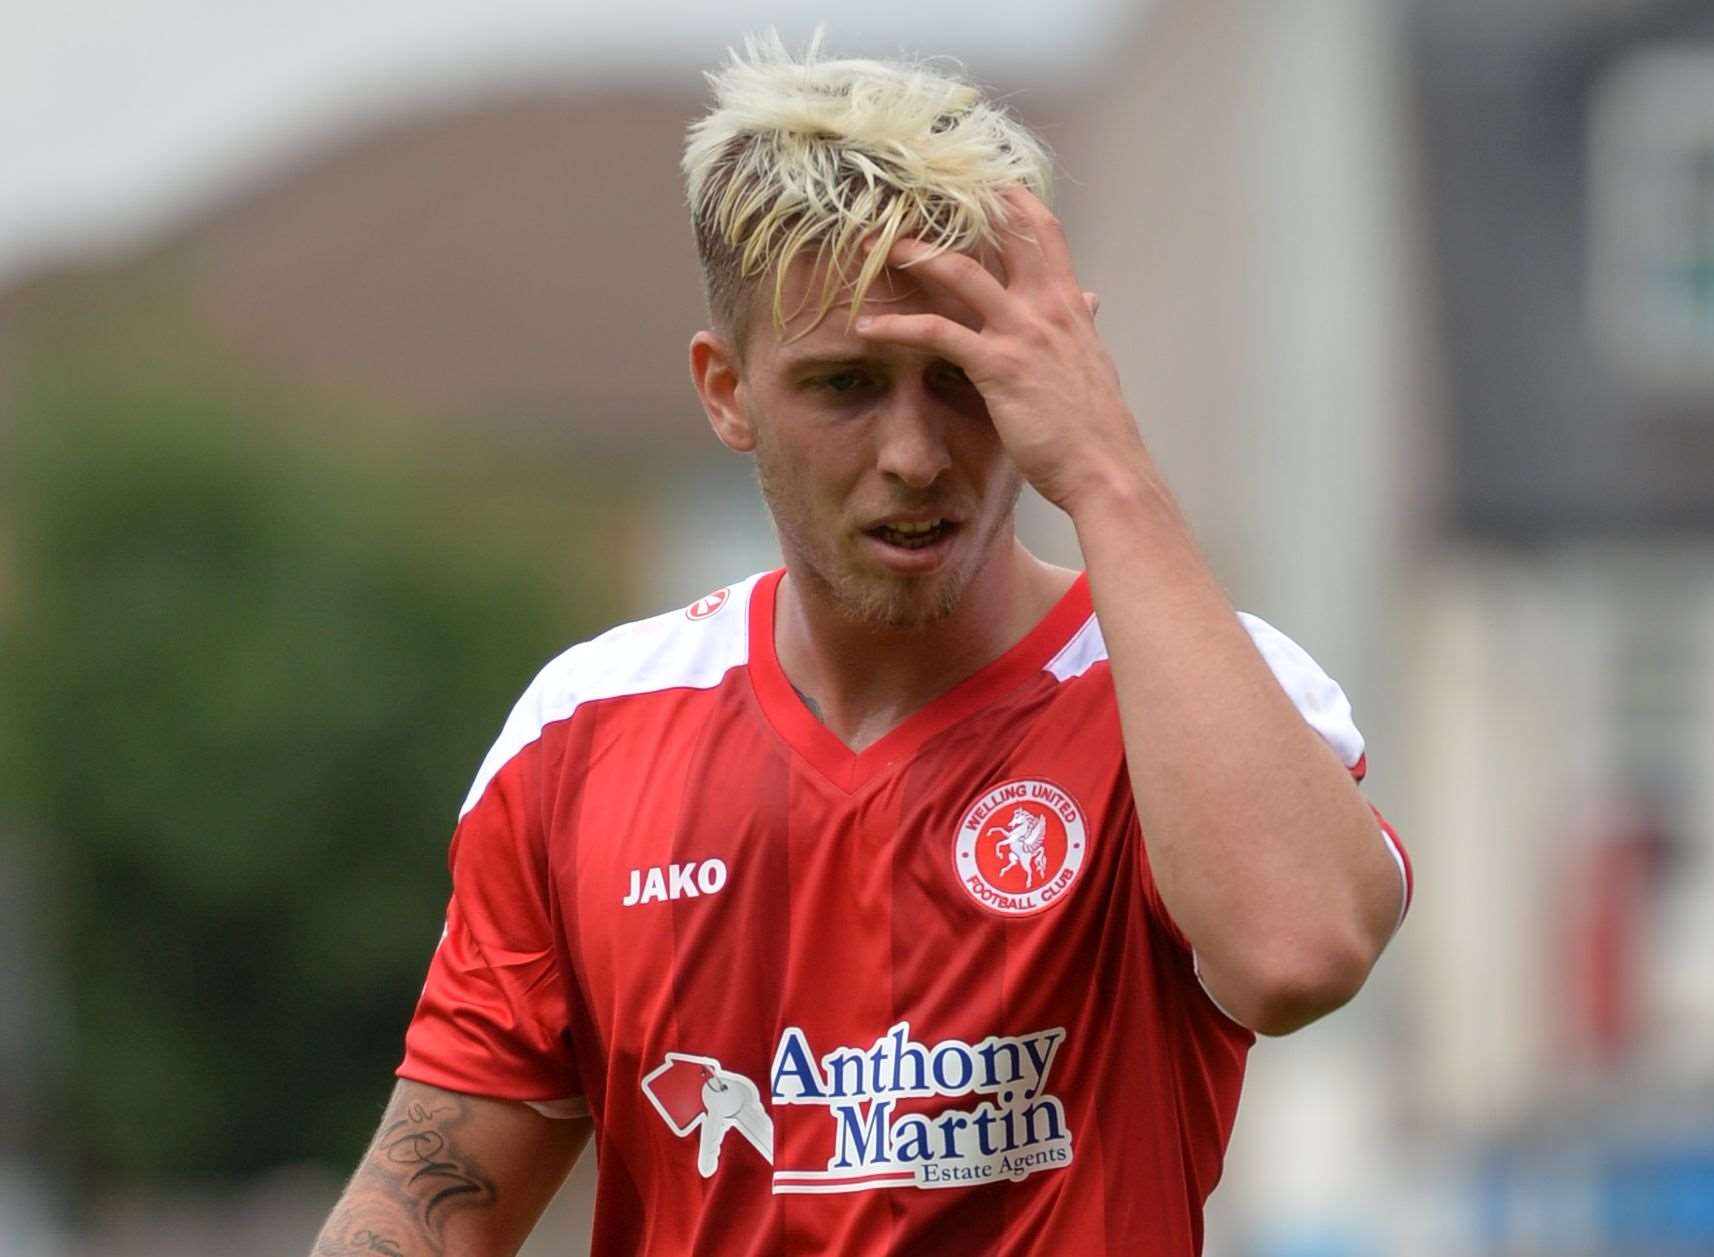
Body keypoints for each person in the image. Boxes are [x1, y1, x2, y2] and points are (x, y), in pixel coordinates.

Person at [309, 30, 1411, 1257]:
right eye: (842, 386)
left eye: (958, 380)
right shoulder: (585, 729)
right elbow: (428, 1198)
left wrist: (1101, 466)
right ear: (726, 391)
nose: (913, 456)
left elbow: (1297, 956)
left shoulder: (1194, 686)